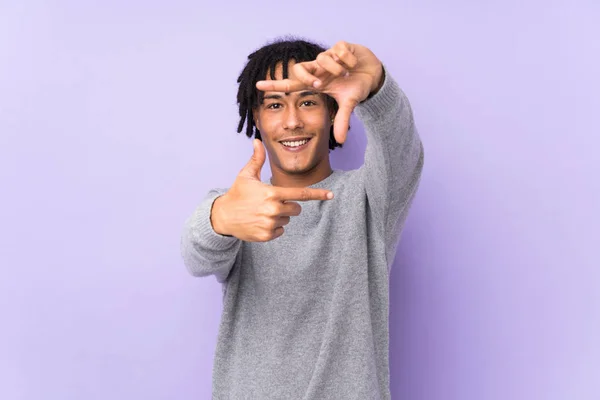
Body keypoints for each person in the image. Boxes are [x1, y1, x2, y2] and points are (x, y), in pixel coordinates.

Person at [180, 37, 424, 400]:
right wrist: (220, 218)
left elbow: (402, 151)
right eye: (275, 105)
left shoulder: (370, 199)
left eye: (308, 102)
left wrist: (377, 90)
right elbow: (196, 256)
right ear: (257, 119)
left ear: (331, 111)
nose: (292, 122)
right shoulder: (244, 206)